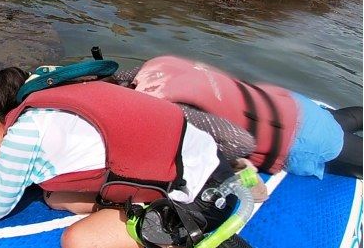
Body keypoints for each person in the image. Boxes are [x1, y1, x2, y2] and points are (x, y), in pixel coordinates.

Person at [0, 67, 253, 248]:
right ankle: (155, 220)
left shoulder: (22, 137)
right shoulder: (43, 93)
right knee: (57, 196)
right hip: (208, 165)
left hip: (196, 203)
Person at [130, 56, 362, 180]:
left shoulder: (168, 108)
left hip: (301, 141)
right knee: (338, 120)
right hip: (290, 103)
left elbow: (241, 142)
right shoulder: (156, 65)